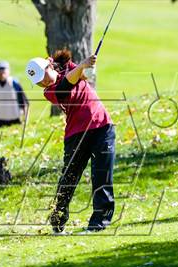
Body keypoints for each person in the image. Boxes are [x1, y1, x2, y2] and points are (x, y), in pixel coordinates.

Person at [26, 50, 116, 234]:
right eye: (38, 83)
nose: (43, 83)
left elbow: (82, 75)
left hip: (103, 126)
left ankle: (98, 224)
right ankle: (57, 222)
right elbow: (66, 85)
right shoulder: (50, 91)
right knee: (69, 178)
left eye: (43, 77)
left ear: (49, 67)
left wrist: (88, 66)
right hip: (76, 134)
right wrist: (83, 65)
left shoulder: (67, 67)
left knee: (102, 177)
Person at [0, 61, 29, 128]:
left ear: (8, 71)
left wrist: (25, 120)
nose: (1, 73)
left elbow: (25, 104)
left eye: (4, 70)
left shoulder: (15, 84)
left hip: (15, 121)